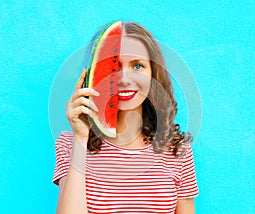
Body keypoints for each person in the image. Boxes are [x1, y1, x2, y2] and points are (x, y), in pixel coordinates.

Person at [53, 21, 199, 213]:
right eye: (113, 66)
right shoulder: (70, 143)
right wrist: (81, 138)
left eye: (137, 66)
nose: (124, 79)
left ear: (153, 74)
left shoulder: (177, 148)